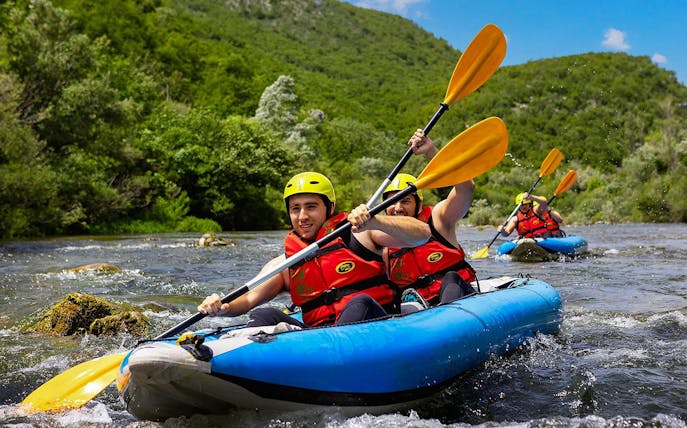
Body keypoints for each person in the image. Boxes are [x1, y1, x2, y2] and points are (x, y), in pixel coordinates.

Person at [198, 171, 430, 328]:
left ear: (329, 207)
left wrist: (377, 221)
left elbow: (422, 234)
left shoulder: (360, 233)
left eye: (311, 207)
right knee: (263, 315)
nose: (302, 216)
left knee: (359, 302)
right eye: (295, 208)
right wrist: (222, 307)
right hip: (319, 338)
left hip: (377, 328)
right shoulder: (287, 263)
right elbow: (248, 299)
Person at [382, 129, 477, 309]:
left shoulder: (439, 219)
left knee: (450, 278)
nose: (398, 208)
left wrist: (432, 152)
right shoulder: (383, 242)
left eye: (405, 201)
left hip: (459, 301)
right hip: (419, 313)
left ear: (419, 204)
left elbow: (466, 187)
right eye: (391, 202)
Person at [497, 192, 565, 239]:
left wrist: (532, 197)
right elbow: (506, 233)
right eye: (522, 205)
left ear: (529, 204)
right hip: (527, 241)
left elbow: (544, 203)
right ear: (518, 206)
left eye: (526, 204)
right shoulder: (515, 219)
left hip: (542, 238)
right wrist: (502, 230)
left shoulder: (536, 211)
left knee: (548, 234)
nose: (524, 207)